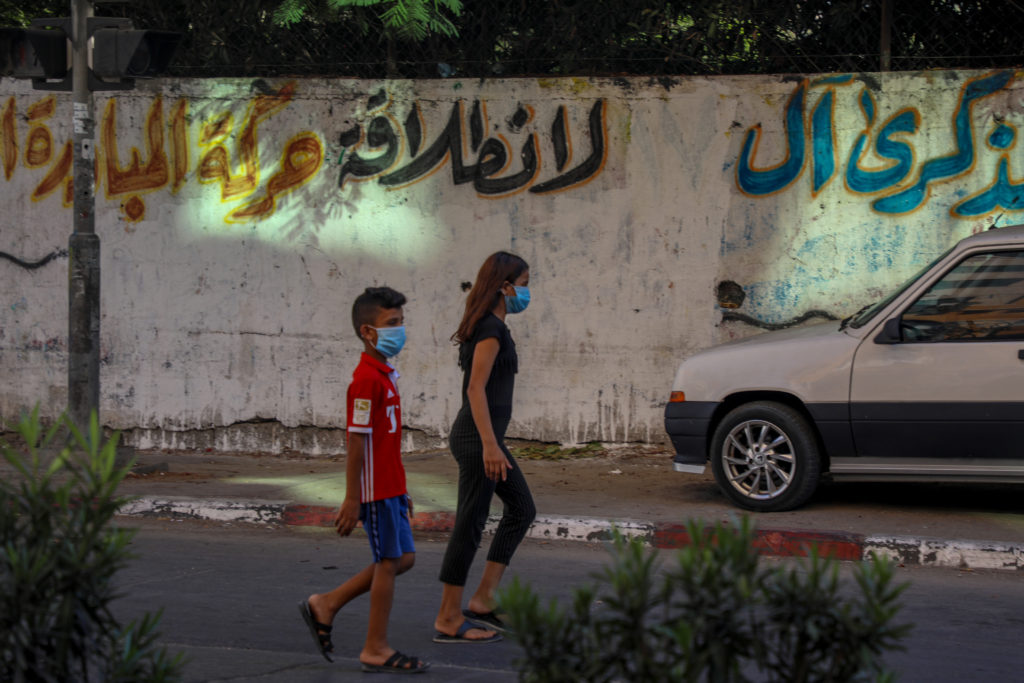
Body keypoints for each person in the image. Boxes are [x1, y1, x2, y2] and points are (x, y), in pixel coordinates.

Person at [298, 286, 429, 674]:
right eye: (392, 324)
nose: (399, 331)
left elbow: (387, 445)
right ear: (367, 332)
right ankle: (375, 647)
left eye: (401, 323)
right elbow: (356, 442)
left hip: (391, 488)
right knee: (388, 562)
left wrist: (402, 491)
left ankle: (327, 603)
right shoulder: (366, 381)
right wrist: (352, 499)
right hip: (374, 492)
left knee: (403, 559)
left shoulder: (384, 374)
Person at [433, 251, 537, 643]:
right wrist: (492, 446)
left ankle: (483, 599)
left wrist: (493, 443)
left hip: (485, 438)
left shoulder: (492, 325)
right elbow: (476, 389)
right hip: (479, 440)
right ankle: (447, 617)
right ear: (506, 287)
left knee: (522, 509)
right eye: (524, 285)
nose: (527, 293)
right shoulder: (491, 330)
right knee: (470, 524)